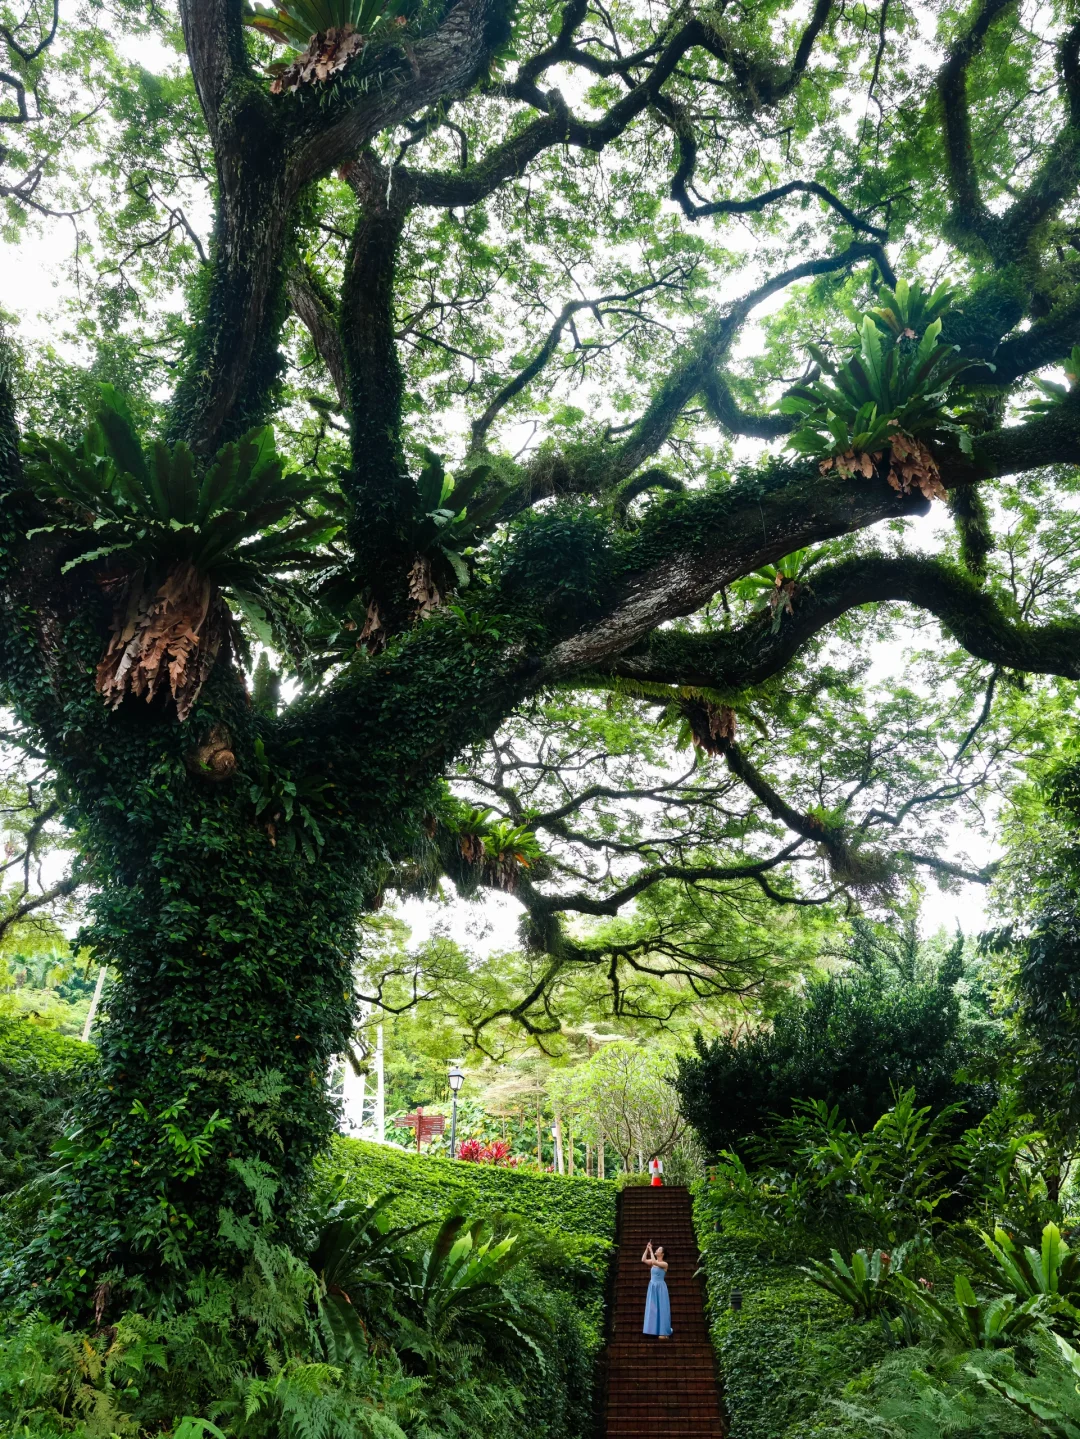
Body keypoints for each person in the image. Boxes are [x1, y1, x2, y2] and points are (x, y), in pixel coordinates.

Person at [642, 1240, 672, 1339]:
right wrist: (647, 1249)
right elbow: (643, 1260)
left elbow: (654, 1261)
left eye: (658, 1249)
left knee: (662, 1307)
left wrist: (650, 1250)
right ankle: (653, 1330)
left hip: (660, 1287)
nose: (656, 1250)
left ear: (662, 1254)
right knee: (652, 1307)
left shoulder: (664, 1264)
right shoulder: (653, 1262)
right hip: (652, 1286)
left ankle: (663, 1332)